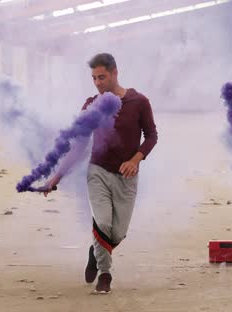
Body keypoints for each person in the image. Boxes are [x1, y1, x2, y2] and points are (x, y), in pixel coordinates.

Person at [43, 53, 158, 294]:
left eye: (102, 77)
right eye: (94, 78)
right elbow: (79, 145)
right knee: (103, 222)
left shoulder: (139, 102)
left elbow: (151, 136)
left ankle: (95, 251)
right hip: (98, 171)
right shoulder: (91, 105)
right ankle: (105, 274)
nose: (97, 83)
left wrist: (136, 159)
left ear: (115, 72)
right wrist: (56, 177)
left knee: (118, 232)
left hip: (127, 176)